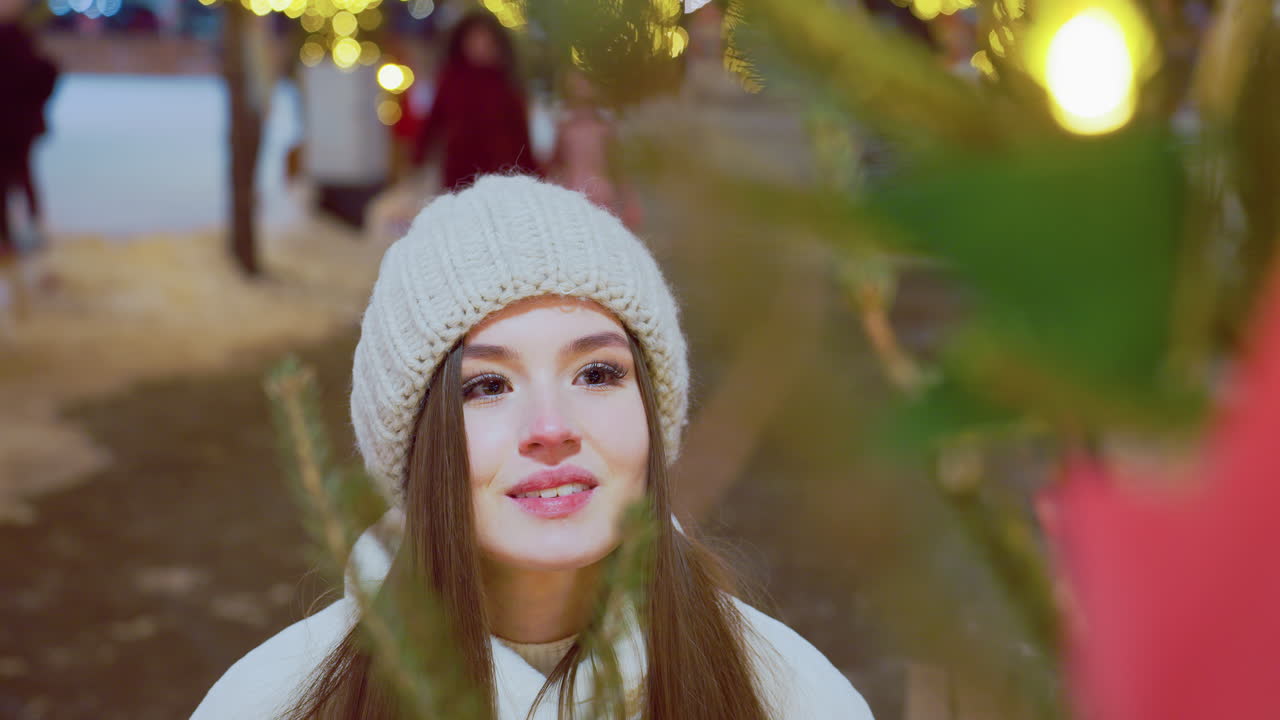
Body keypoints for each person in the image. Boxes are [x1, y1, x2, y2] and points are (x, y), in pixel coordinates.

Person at [190, 175, 873, 719]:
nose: (551, 426)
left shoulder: (791, 697)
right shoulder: (274, 701)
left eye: (597, 373)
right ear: (418, 442)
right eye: (487, 385)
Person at [413, 12, 541, 192]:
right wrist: (418, 157)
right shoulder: (451, 81)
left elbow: (521, 136)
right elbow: (433, 122)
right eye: (474, 40)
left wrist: (533, 173)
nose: (480, 47)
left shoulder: (507, 83)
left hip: (501, 171)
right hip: (460, 170)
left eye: (486, 41)